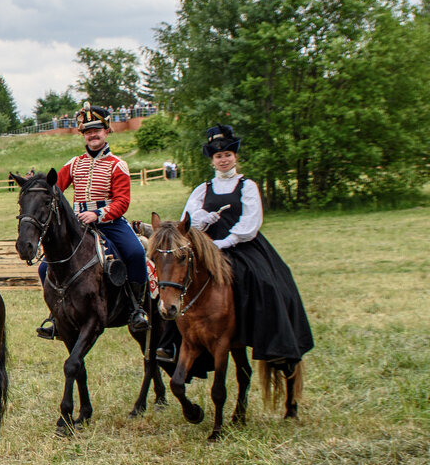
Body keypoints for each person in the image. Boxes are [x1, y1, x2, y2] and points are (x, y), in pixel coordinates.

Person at [156, 125, 313, 366]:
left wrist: (227, 241)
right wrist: (201, 219)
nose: (223, 160)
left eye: (227, 155)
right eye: (218, 156)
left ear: (235, 157)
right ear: (212, 160)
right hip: (207, 247)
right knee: (180, 278)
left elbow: (251, 221)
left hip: (243, 246)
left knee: (265, 282)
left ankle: (274, 341)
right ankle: (171, 343)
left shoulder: (247, 186)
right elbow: (186, 221)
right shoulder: (203, 189)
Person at [36, 104, 150, 339]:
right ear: (83, 135)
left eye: (97, 129)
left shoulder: (118, 165)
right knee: (45, 266)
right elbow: (55, 188)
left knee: (135, 253)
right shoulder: (74, 164)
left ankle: (137, 308)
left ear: (107, 131)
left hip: (110, 223)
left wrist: (98, 215)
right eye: (88, 131)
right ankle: (57, 316)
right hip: (79, 224)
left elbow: (122, 201)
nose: (92, 134)